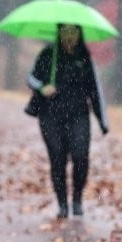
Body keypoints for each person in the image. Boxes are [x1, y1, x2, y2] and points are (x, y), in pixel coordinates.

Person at [25, 24, 109, 219]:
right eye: (65, 32)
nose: (69, 36)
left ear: (79, 34)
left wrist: (102, 121)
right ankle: (62, 203)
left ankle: (77, 198)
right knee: (58, 158)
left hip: (78, 115)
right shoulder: (48, 54)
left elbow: (95, 91)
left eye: (74, 32)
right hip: (50, 115)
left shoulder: (84, 57)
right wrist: (42, 88)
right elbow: (31, 78)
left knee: (81, 156)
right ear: (59, 33)